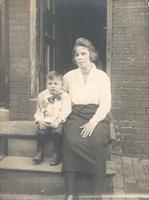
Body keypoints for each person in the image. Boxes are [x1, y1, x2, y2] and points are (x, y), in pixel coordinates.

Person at [63, 38, 111, 200]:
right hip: (75, 114)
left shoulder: (101, 76)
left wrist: (92, 122)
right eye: (77, 54)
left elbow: (105, 104)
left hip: (95, 114)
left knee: (96, 142)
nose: (80, 57)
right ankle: (71, 192)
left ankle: (96, 194)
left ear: (91, 54)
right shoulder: (69, 76)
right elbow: (64, 99)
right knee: (70, 140)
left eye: (83, 53)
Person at [33, 71, 71, 166]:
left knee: (57, 133)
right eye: (50, 83)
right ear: (46, 84)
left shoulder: (65, 96)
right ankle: (39, 152)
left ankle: (57, 154)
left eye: (56, 83)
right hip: (46, 120)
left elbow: (66, 111)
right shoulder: (42, 95)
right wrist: (39, 120)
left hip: (58, 120)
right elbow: (39, 110)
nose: (52, 86)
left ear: (61, 84)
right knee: (40, 132)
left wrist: (58, 120)